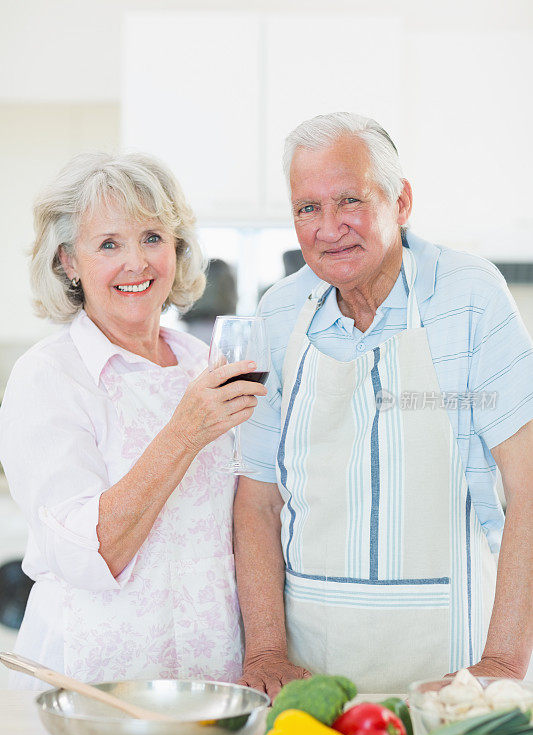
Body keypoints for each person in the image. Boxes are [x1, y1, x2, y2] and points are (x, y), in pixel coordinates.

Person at [235, 112, 533, 696]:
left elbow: (527, 486)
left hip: (454, 669)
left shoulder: (472, 297)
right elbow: (257, 500)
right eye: (307, 208)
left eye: (350, 200)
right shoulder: (277, 314)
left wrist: (501, 663)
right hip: (309, 675)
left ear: (401, 203)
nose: (329, 228)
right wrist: (266, 649)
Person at [0, 152, 267, 688]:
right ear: (68, 262)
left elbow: (251, 520)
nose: (136, 263)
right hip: (91, 688)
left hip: (211, 682)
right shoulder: (48, 377)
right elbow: (90, 554)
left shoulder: (204, 363)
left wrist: (265, 649)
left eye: (151, 237)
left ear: (177, 248)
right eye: (108, 244)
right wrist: (183, 434)